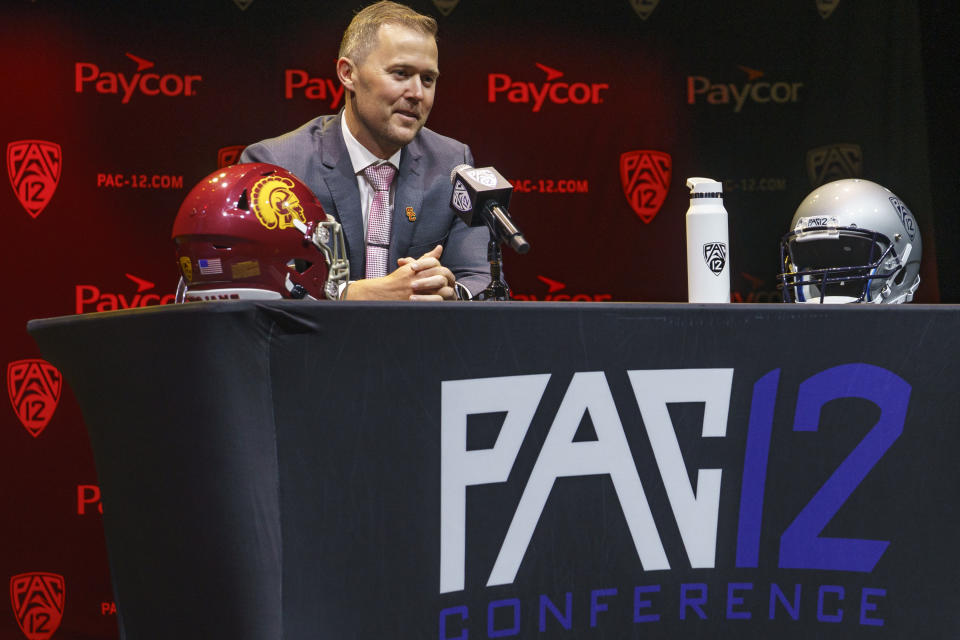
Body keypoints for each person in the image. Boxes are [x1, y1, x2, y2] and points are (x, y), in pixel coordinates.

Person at [240, 1, 488, 301]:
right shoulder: (276, 167)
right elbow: (253, 282)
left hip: (416, 345)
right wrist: (349, 295)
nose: (417, 94)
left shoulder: (452, 164)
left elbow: (479, 279)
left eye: (428, 79)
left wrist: (449, 292)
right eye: (400, 73)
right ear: (348, 74)